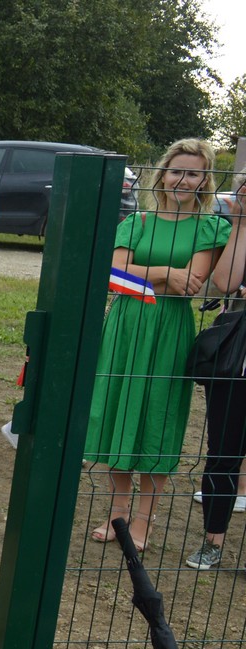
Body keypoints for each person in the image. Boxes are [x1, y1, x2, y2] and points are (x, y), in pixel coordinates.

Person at [78, 137, 228, 553]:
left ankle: (145, 519)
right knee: (119, 409)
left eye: (194, 172)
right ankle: (118, 515)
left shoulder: (210, 226)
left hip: (168, 330)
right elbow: (112, 270)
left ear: (205, 180)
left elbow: (190, 285)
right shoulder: (137, 221)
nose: (183, 179)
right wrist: (164, 271)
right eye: (177, 170)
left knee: (156, 415)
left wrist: (144, 273)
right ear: (163, 173)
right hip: (125, 325)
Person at [185, 174, 246, 570]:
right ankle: (213, 542)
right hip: (236, 361)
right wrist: (241, 222)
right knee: (222, 453)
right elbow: (225, 283)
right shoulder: (237, 230)